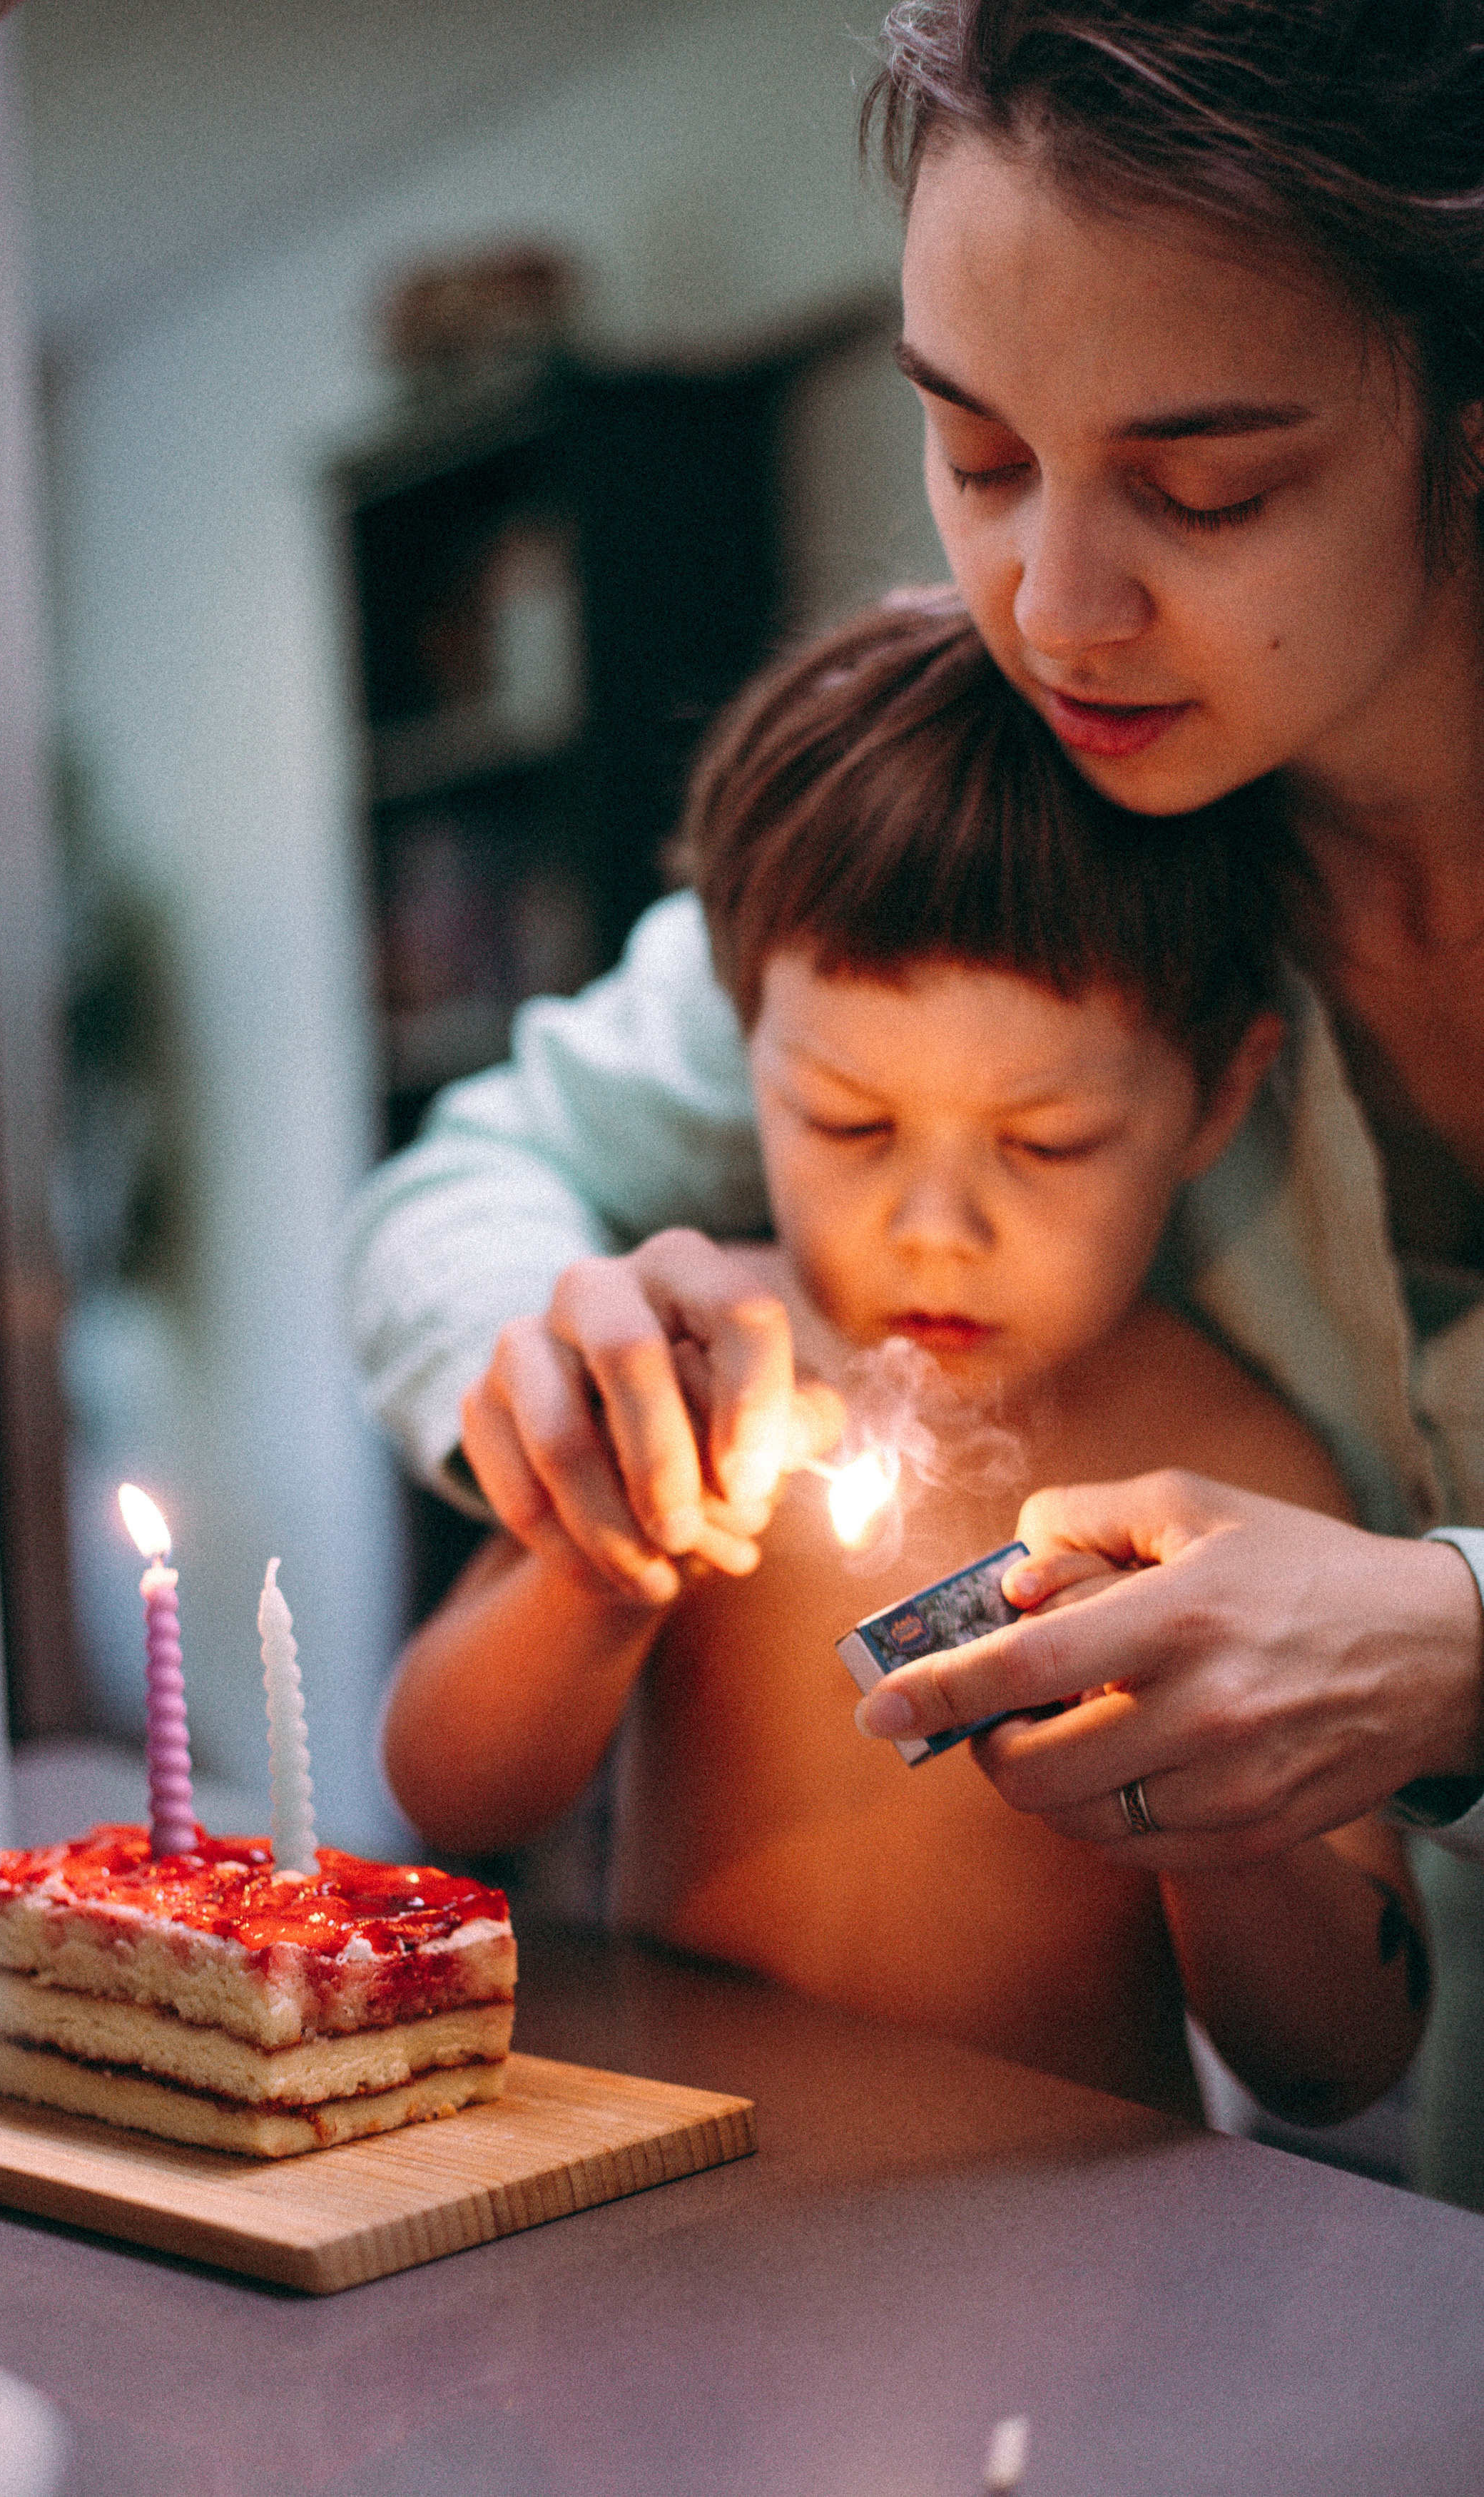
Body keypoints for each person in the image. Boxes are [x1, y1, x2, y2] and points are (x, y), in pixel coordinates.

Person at [345, 0, 1484, 1897]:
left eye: (1202, 489)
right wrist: (554, 1368)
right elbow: (471, 1179)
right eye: (971, 453)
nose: (1048, 610)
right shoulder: (1012, 826)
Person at [383, 596, 1429, 2125]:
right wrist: (599, 1573)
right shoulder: (701, 1374)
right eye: (849, 1123)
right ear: (743, 1058)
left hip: (1077, 2272)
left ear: (1218, 1098)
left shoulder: (1230, 1469)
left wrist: (1213, 1797)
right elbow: (446, 1791)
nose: (936, 1227)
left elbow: (1342, 2058)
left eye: (1048, 1140)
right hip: (683, 2219)